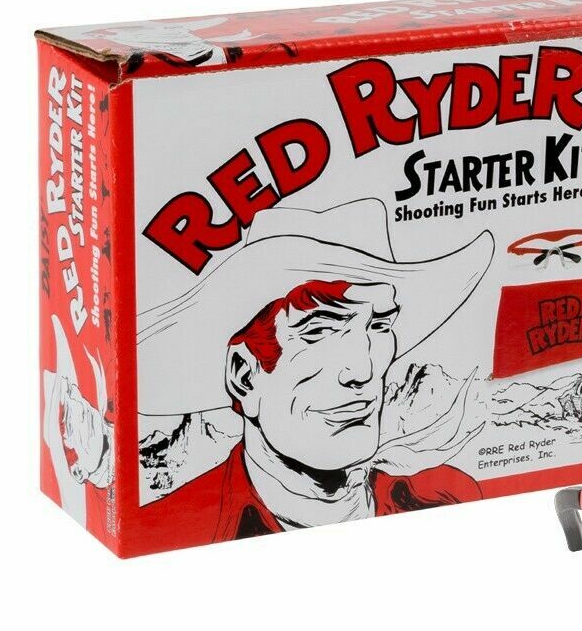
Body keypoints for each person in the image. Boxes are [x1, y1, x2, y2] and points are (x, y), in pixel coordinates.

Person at [138, 199, 494, 540]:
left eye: (378, 326)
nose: (363, 371)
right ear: (244, 376)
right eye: (320, 330)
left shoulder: (448, 500)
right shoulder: (171, 532)